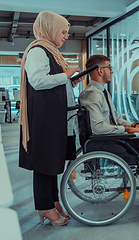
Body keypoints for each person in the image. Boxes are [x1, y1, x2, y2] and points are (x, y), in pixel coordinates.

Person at [19, 11, 85, 227]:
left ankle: (53, 200)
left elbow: (52, 83)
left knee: (52, 162)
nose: (66, 36)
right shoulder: (39, 50)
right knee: (44, 163)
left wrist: (71, 81)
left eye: (67, 32)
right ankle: (45, 207)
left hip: (53, 117)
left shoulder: (52, 52)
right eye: (63, 31)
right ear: (50, 29)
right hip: (43, 119)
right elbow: (37, 81)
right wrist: (66, 75)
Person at [79, 54, 139, 165]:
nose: (111, 72)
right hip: (109, 142)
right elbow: (98, 128)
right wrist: (126, 129)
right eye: (109, 68)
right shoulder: (92, 94)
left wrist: (135, 126)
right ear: (100, 71)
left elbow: (116, 118)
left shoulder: (103, 92)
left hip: (116, 138)